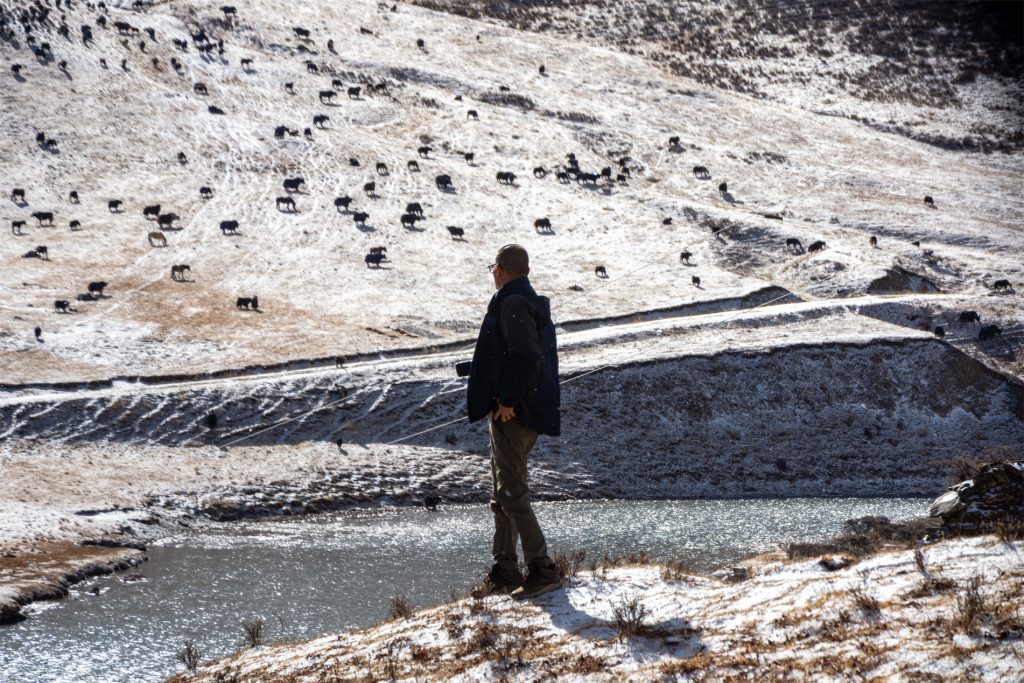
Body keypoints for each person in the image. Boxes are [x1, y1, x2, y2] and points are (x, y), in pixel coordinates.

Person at [467, 244, 562, 600]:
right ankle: (505, 568)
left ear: (501, 269)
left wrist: (506, 401)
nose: (492, 272)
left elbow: (525, 358)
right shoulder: (527, 301)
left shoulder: (511, 303)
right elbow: (513, 356)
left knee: (511, 492)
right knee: (502, 492)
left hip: (514, 414)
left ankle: (542, 568)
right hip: (523, 411)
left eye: (493, 266)